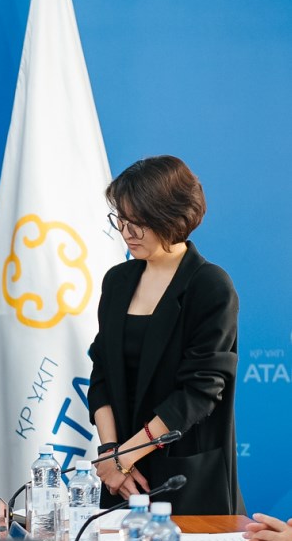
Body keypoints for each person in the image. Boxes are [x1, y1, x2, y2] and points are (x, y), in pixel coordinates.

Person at [88, 155, 242, 514]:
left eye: (139, 223)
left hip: (185, 476)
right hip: (119, 476)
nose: (127, 233)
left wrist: (126, 456)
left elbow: (199, 391)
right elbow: (101, 373)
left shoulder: (209, 285)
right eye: (121, 220)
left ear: (172, 217)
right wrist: (110, 454)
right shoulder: (118, 280)